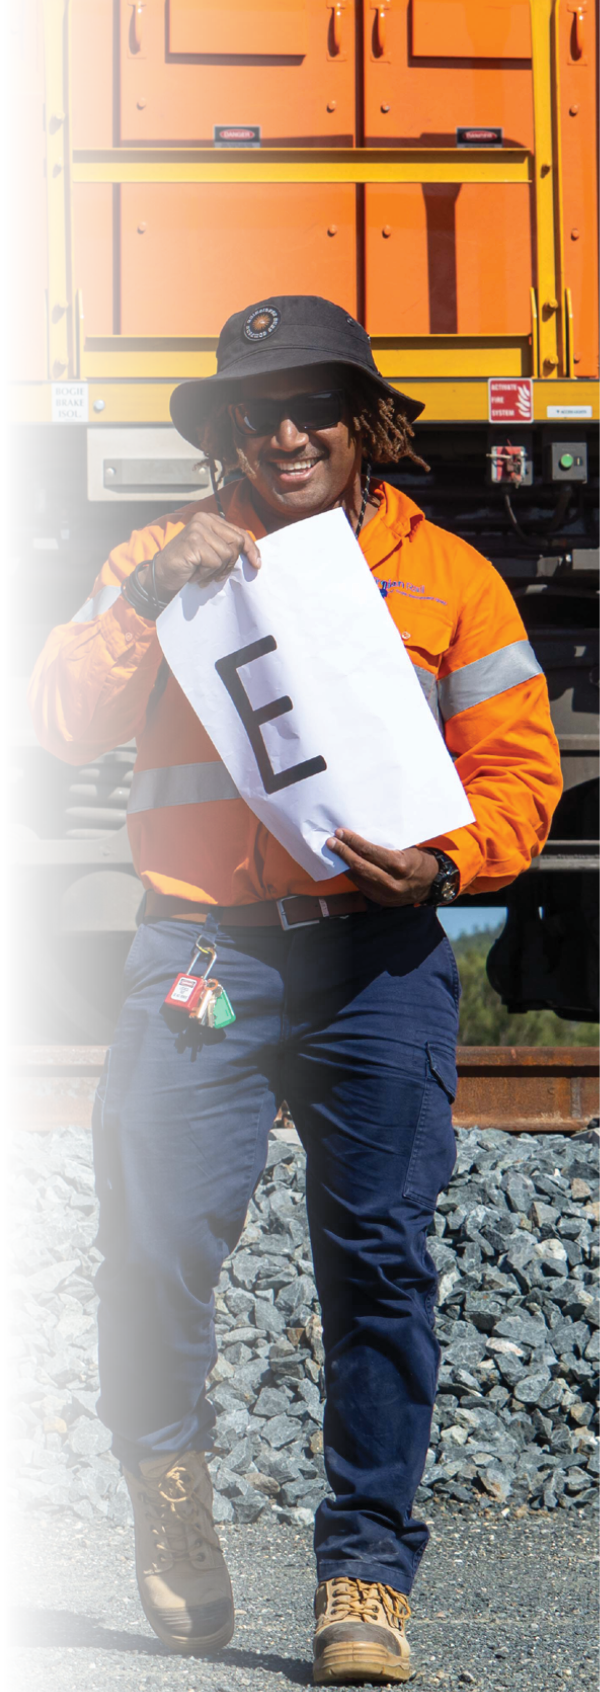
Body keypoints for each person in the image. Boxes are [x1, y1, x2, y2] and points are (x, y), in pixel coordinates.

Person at [28, 295, 562, 1681]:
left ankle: (365, 1574)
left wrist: (450, 864)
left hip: (376, 960)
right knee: (154, 1247)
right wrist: (148, 595)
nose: (285, 430)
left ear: (367, 423)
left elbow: (517, 771)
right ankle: (167, 1479)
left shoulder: (451, 577)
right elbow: (63, 717)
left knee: (381, 1262)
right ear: (223, 437)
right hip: (202, 954)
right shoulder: (162, 558)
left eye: (315, 405)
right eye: (255, 411)